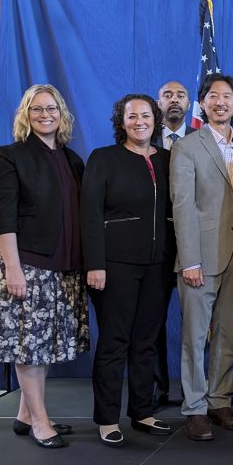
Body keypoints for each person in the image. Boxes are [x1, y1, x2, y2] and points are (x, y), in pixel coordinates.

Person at [0, 84, 89, 449]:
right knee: (29, 347)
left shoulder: (72, 159)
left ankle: (25, 413)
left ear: (62, 114)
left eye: (52, 109)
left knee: (43, 346)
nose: (45, 115)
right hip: (28, 266)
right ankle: (40, 422)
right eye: (37, 109)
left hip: (64, 267)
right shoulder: (11, 156)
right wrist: (12, 269)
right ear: (25, 116)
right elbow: (4, 218)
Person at [81, 93, 176, 446]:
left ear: (156, 119)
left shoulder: (168, 159)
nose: (140, 122)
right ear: (121, 121)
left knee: (147, 342)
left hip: (160, 264)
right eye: (132, 116)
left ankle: (143, 410)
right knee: (114, 341)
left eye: (147, 115)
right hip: (115, 265)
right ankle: (107, 418)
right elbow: (89, 215)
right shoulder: (104, 159)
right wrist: (95, 264)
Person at [170, 74, 233, 441]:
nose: (221, 102)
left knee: (228, 335)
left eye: (227, 97)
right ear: (203, 104)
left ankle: (220, 401)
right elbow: (183, 205)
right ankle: (194, 409)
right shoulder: (187, 147)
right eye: (213, 96)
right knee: (194, 337)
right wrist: (189, 260)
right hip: (200, 260)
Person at [151, 79, 191, 410]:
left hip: (195, 243)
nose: (174, 100)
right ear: (157, 103)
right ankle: (156, 387)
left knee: (202, 322)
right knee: (153, 319)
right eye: (167, 95)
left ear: (190, 104)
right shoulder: (143, 140)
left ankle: (202, 390)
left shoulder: (204, 140)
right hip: (158, 244)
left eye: (180, 95)